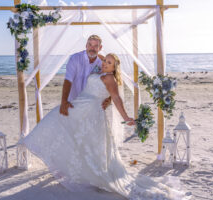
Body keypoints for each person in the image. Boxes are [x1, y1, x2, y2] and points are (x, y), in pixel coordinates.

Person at [22, 53, 189, 199]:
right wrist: (103, 56)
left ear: (114, 67)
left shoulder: (110, 78)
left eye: (109, 63)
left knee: (65, 124)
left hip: (91, 111)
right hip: (81, 105)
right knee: (64, 125)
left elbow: (116, 98)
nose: (104, 63)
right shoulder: (102, 71)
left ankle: (88, 173)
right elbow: (101, 57)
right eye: (104, 61)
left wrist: (126, 117)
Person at [60, 34, 111, 116]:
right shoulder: (75, 58)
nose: (92, 48)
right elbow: (68, 80)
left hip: (92, 106)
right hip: (74, 102)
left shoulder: (103, 63)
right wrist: (64, 101)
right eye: (90, 45)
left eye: (95, 46)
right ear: (86, 45)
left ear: (100, 48)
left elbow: (110, 83)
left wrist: (109, 99)